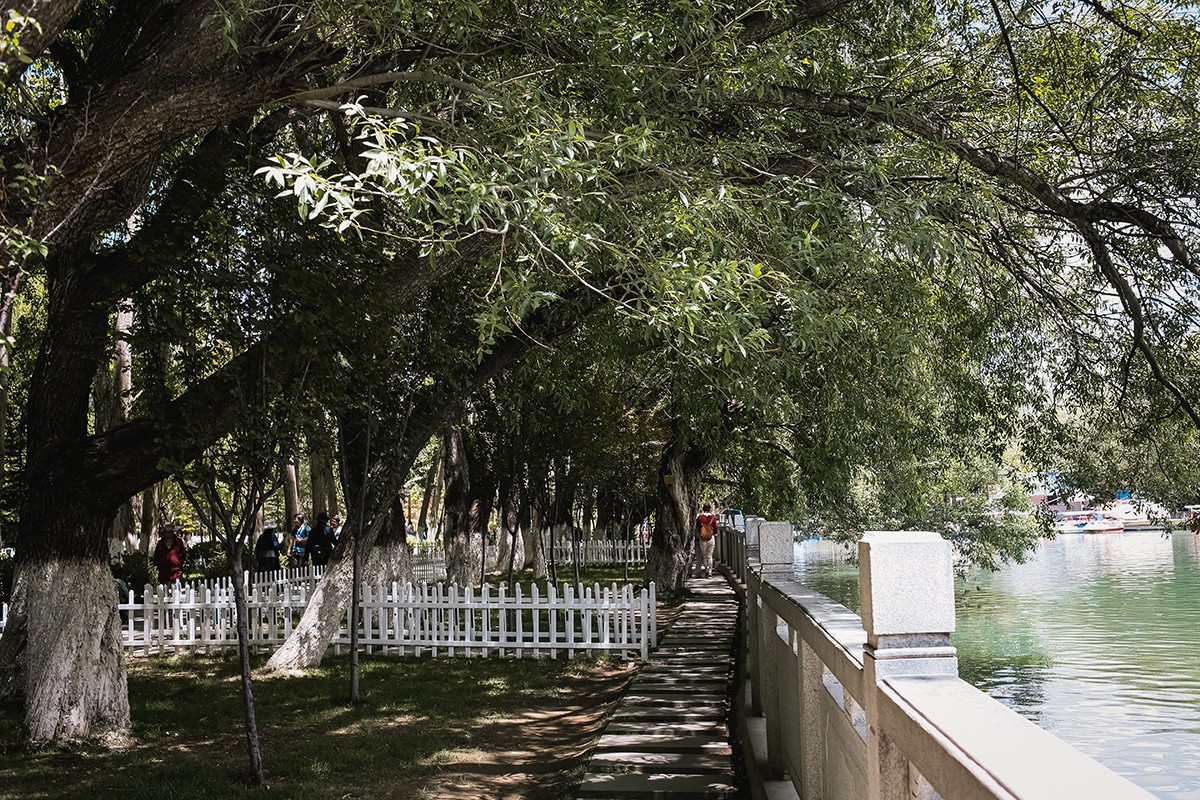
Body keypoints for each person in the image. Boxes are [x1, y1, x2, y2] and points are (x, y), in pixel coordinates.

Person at [695, 504, 718, 577]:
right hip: (711, 538)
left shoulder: (700, 517)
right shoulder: (712, 518)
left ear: (703, 509)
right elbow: (715, 528)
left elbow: (697, 527)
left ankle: (706, 571)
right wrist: (715, 533)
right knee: (710, 556)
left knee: (704, 556)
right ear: (710, 509)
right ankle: (710, 572)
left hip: (703, 538)